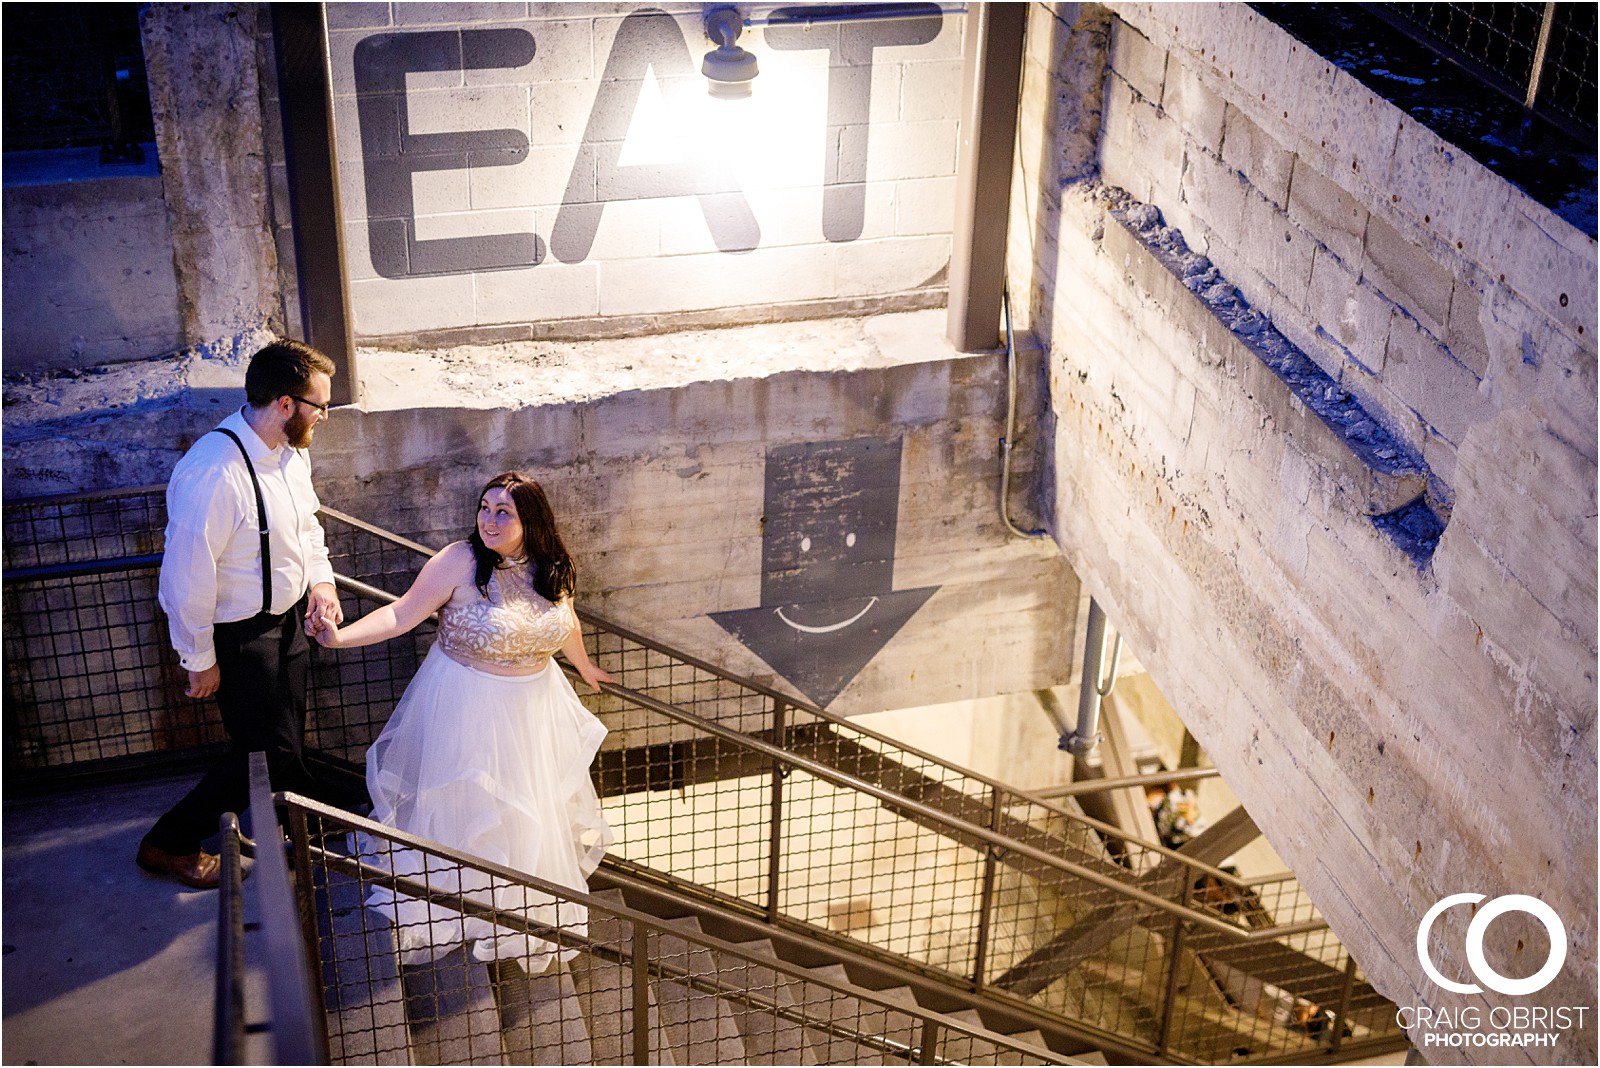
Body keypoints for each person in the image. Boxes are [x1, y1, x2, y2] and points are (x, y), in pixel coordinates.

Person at [311, 471, 615, 968]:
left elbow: (567, 620)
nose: (489, 520)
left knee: (527, 808)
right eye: (484, 507)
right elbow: (402, 615)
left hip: (532, 708)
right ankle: (461, 898)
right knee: (470, 805)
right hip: (469, 703)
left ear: (530, 521)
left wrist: (583, 665)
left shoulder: (554, 564)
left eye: (504, 512)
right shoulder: (459, 561)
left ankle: (517, 901)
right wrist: (338, 639)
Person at [137, 338, 347, 889]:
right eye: (319, 405)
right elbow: (185, 580)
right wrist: (199, 658)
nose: (324, 416)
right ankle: (169, 841)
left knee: (286, 742)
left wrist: (320, 582)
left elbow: (307, 528)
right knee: (264, 752)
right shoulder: (214, 472)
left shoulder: (291, 451)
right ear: (284, 403)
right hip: (239, 637)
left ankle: (290, 829)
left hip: (288, 626)